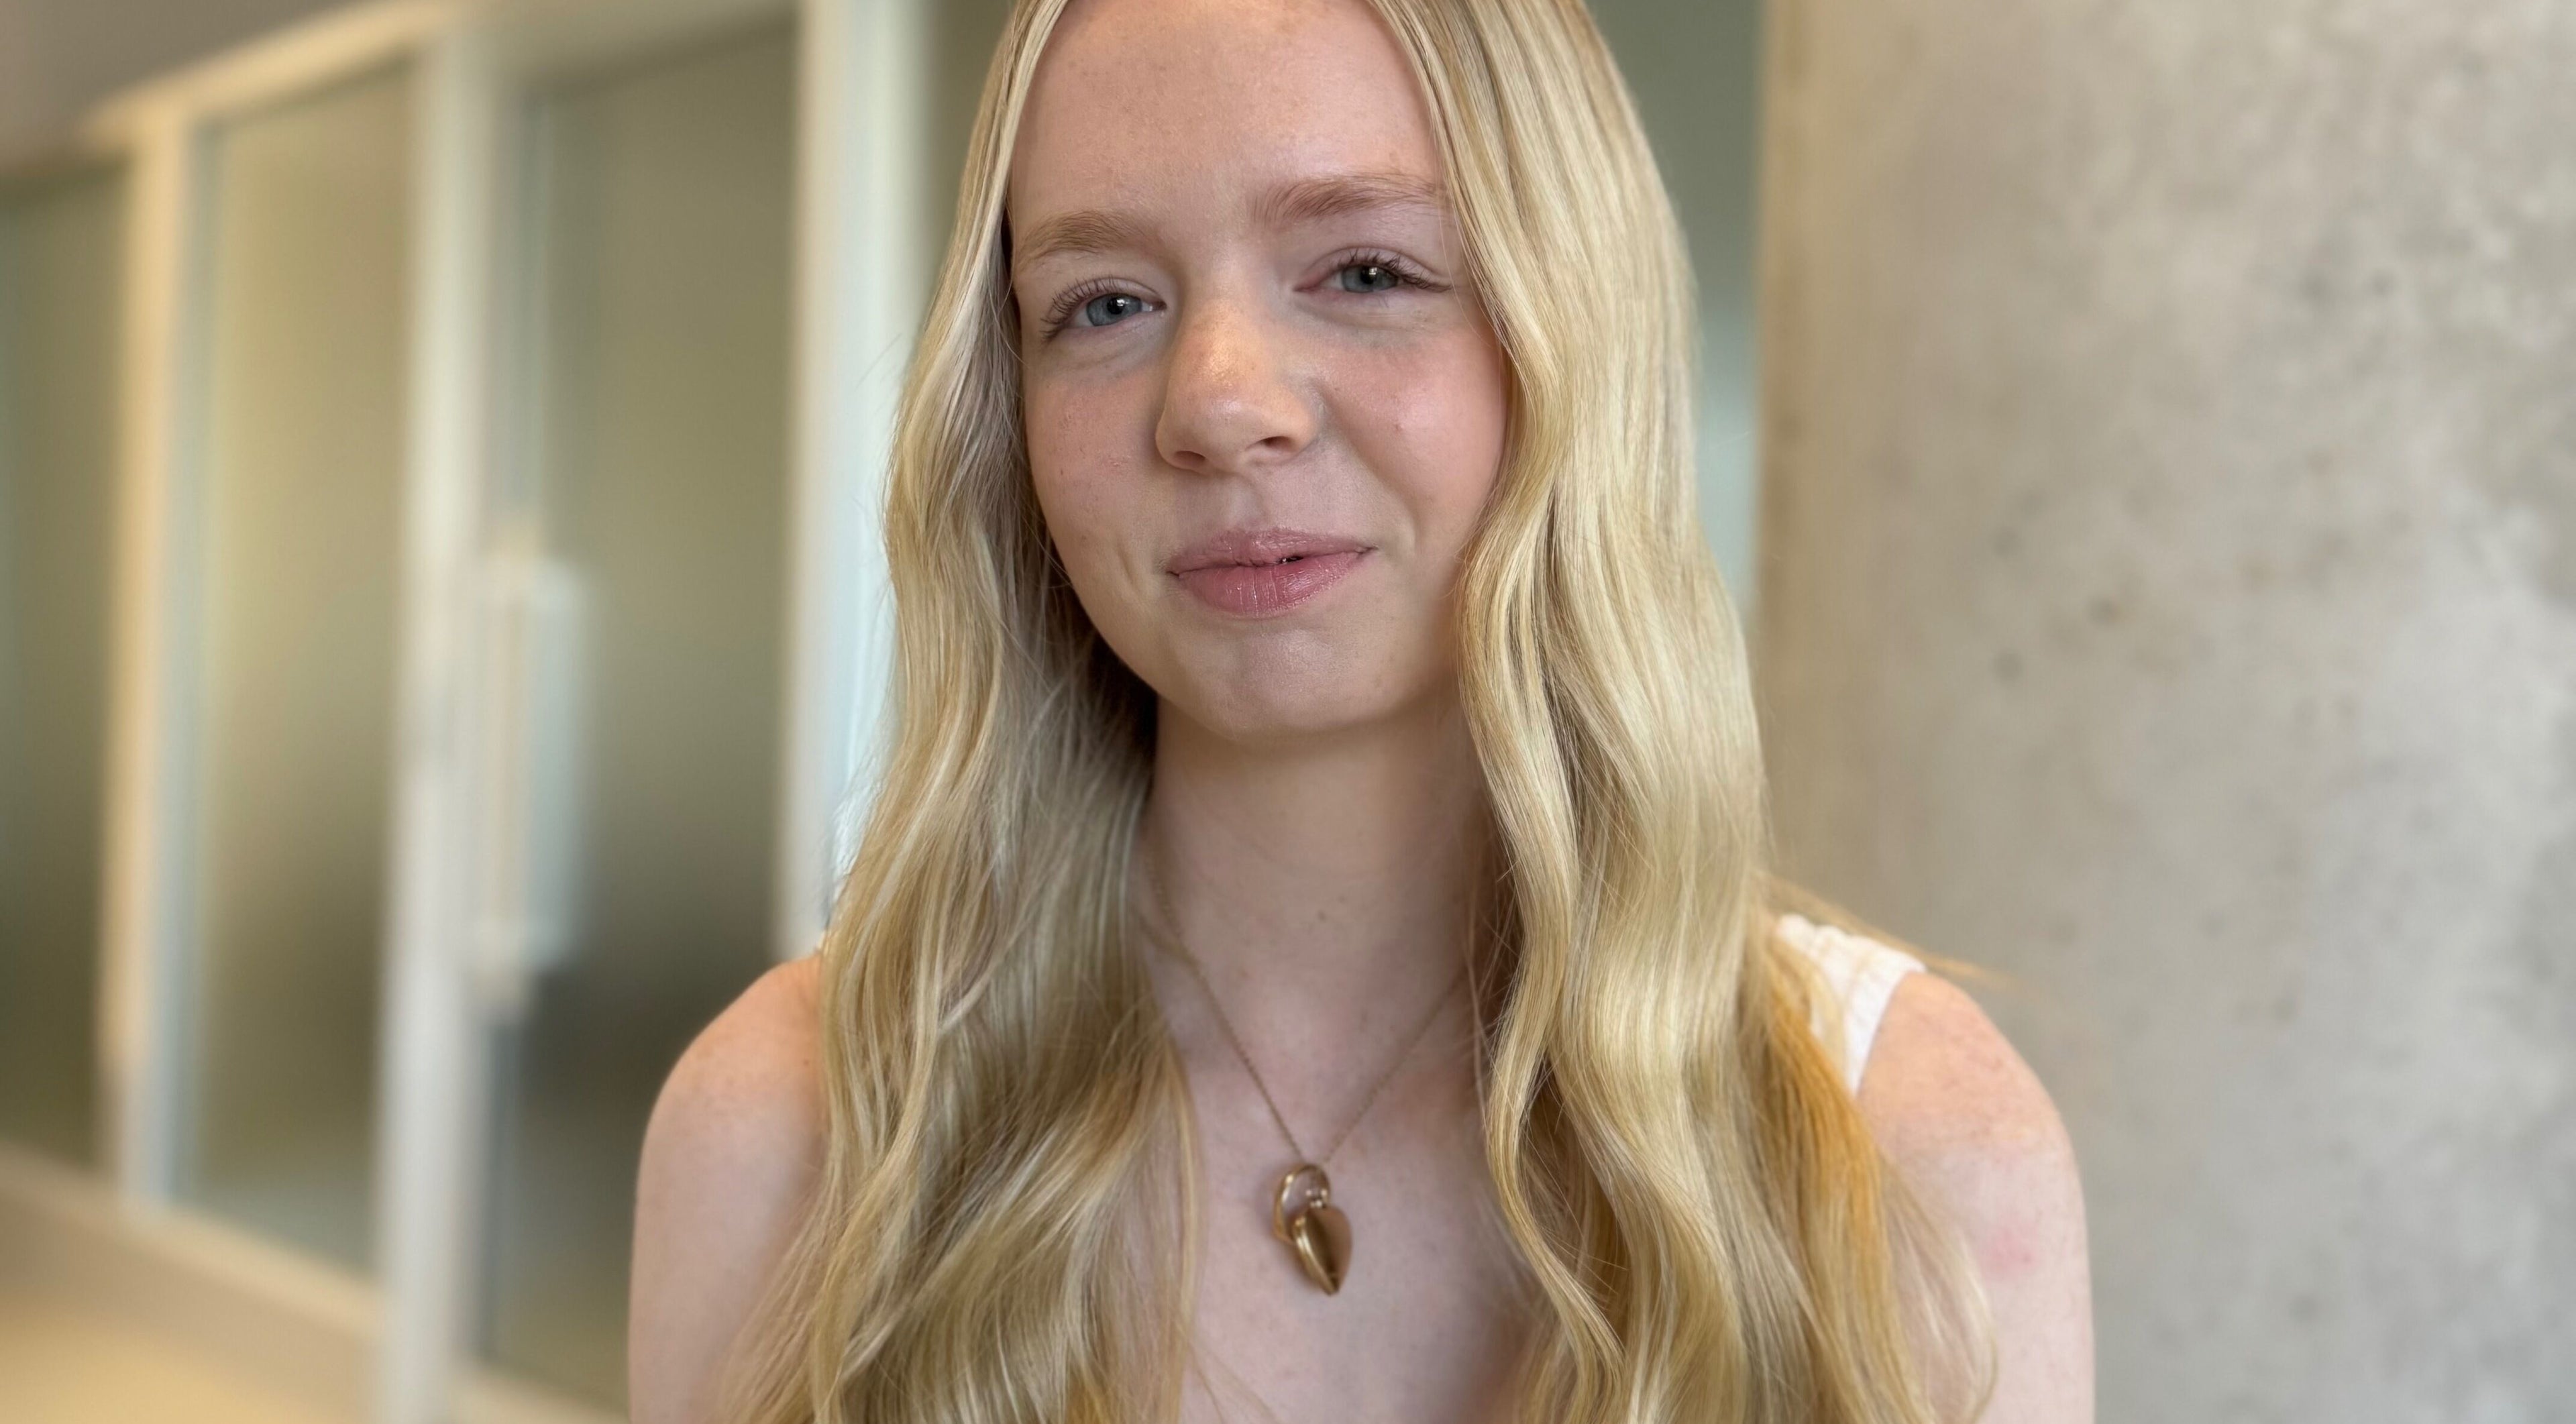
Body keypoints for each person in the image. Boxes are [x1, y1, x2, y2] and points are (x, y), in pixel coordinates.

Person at [629, 0, 2092, 1419]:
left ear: (1574, 329)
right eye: (1107, 303)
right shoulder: (794, 1133)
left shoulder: (1909, 1146)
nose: (1217, 401)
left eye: (1368, 273)